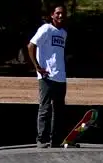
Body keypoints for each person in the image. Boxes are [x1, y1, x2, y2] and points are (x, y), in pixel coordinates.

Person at [28, 6, 69, 148]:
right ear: (52, 15)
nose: (60, 16)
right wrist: (37, 67)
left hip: (61, 76)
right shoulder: (45, 29)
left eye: (63, 13)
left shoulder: (63, 33)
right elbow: (31, 46)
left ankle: (55, 140)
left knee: (59, 110)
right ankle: (41, 139)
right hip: (46, 76)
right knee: (45, 108)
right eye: (57, 13)